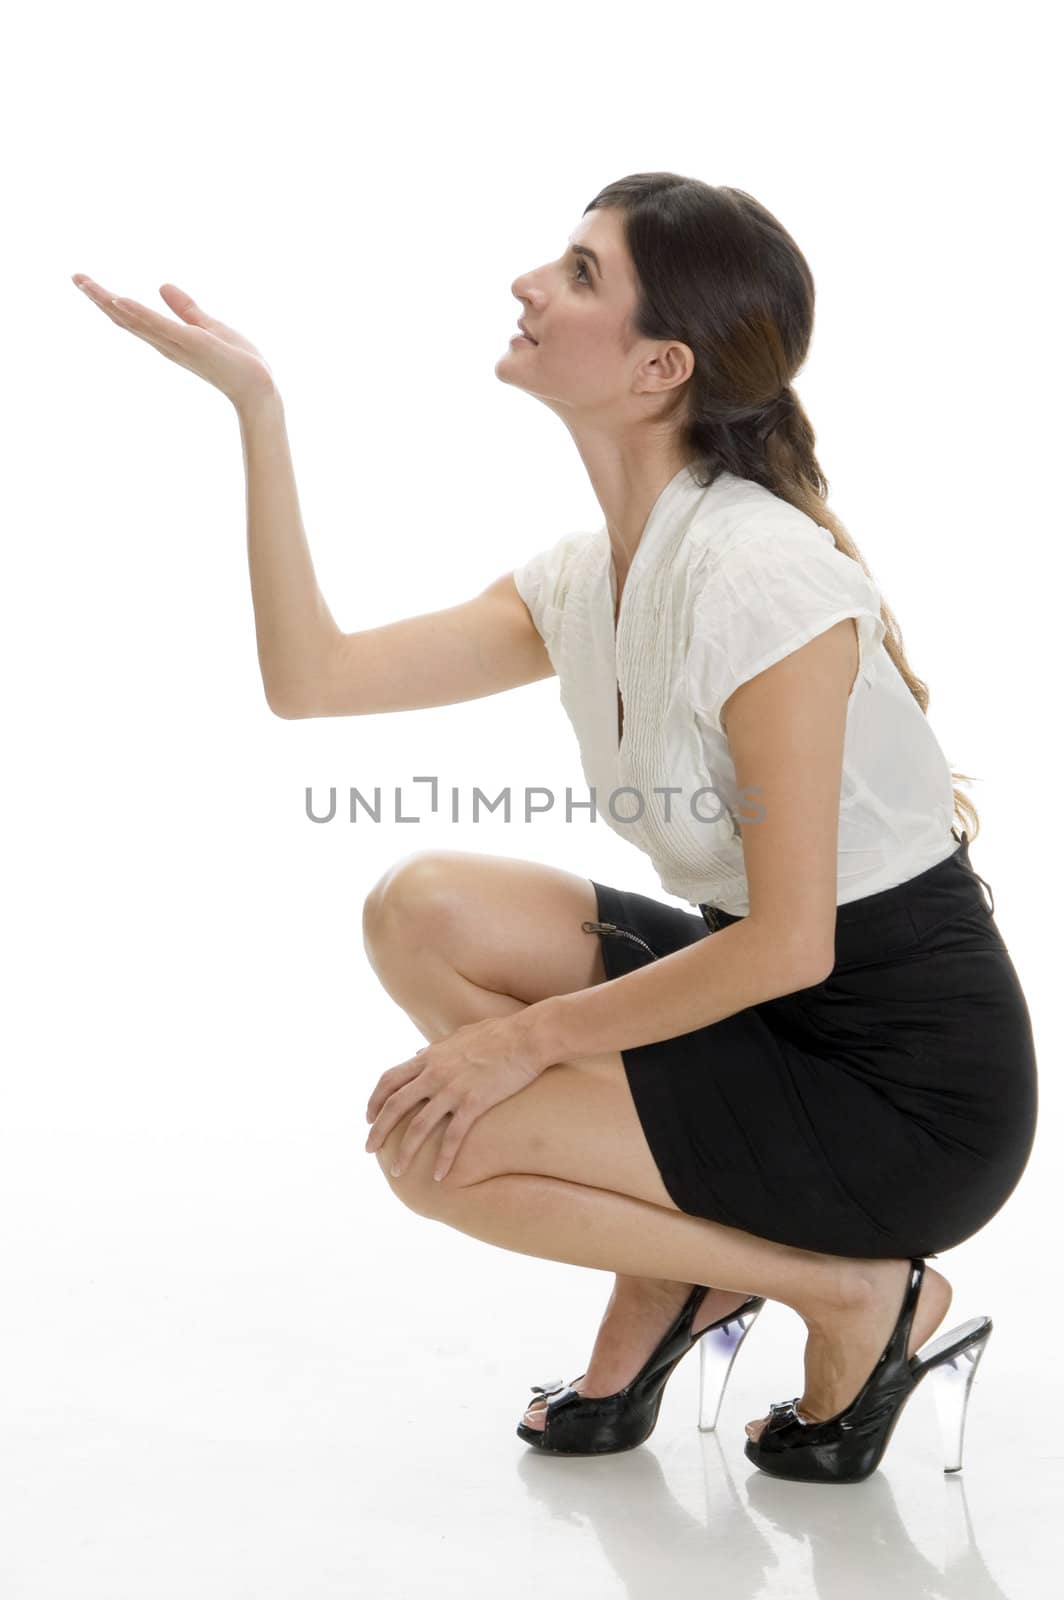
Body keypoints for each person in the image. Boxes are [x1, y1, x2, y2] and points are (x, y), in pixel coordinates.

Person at [72, 172, 1038, 1482]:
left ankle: (859, 1295)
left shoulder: (765, 583)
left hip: (904, 1098)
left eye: (581, 272)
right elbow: (315, 682)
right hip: (762, 1020)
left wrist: (514, 1053)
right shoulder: (596, 575)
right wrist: (258, 409)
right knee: (424, 907)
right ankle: (677, 1276)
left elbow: (793, 945)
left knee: (442, 1158)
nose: (531, 282)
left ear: (658, 367)